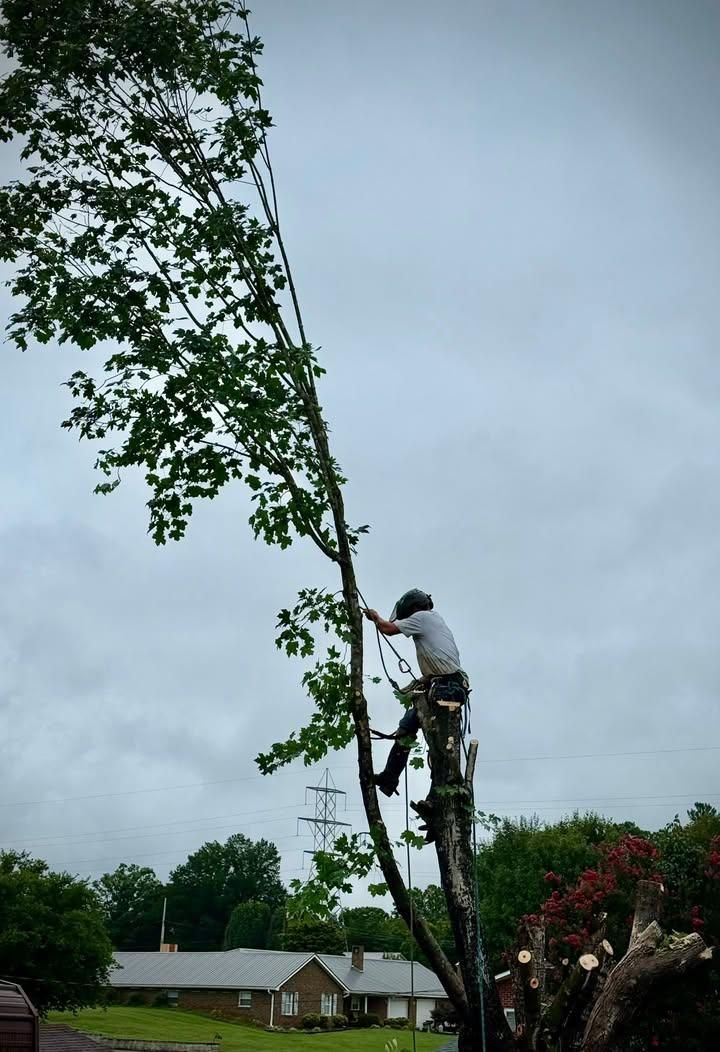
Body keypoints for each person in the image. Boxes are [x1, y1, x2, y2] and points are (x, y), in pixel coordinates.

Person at [363, 589, 469, 799]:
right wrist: (420, 681)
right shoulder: (435, 620)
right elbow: (440, 663)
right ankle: (390, 777)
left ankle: (435, 798)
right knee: (408, 727)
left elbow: (388, 629)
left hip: (447, 687)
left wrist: (374, 617)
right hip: (446, 684)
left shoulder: (422, 617)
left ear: (412, 608)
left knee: (439, 746)